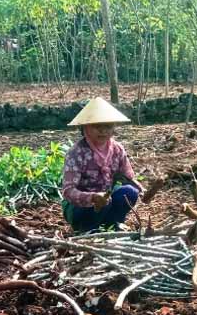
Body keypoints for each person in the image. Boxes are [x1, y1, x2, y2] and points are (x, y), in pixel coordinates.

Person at [61, 97, 143, 233]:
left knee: (130, 192)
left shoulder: (117, 150)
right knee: (103, 202)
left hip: (107, 200)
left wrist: (141, 189)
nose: (103, 131)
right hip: (80, 208)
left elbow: (127, 177)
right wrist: (92, 197)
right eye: (97, 126)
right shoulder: (76, 153)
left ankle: (112, 224)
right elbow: (68, 191)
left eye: (108, 126)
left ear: (113, 128)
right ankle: (87, 228)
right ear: (85, 128)